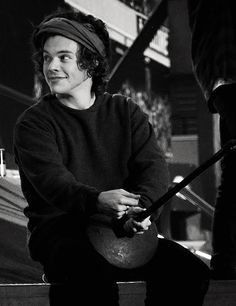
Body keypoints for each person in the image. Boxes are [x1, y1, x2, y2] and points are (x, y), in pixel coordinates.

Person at [13, 7, 209, 305]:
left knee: (190, 273)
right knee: (92, 283)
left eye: (63, 57)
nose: (50, 66)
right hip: (63, 235)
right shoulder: (34, 122)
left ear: (90, 63)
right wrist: (96, 202)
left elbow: (153, 171)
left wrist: (140, 211)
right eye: (46, 58)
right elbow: (54, 183)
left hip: (123, 232)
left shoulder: (126, 111)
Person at [187, 0, 236, 280]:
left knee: (234, 170)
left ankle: (225, 261)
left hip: (223, 78)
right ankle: (225, 261)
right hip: (226, 75)